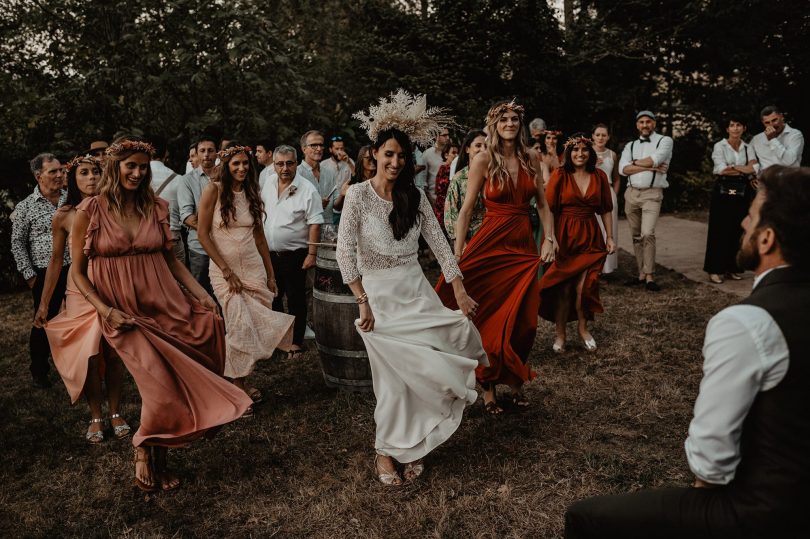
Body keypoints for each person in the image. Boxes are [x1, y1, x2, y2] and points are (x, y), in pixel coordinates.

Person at [565, 165, 810, 539]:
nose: (743, 224)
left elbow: (710, 463)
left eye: (751, 216)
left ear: (766, 239)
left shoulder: (747, 323)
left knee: (585, 517)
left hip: (764, 513)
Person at [70, 137, 252, 493]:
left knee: (179, 367)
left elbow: (171, 260)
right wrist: (106, 309)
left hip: (164, 302)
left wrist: (203, 295)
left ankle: (159, 456)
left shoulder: (156, 207)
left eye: (142, 167)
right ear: (115, 167)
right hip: (120, 310)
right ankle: (144, 446)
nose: (137, 173)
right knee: (157, 382)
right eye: (130, 166)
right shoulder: (89, 211)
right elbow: (77, 272)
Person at [343, 91, 487, 485]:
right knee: (391, 380)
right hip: (378, 300)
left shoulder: (415, 196)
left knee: (425, 369)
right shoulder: (357, 196)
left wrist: (457, 287)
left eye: (401, 156)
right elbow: (344, 256)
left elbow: (440, 244)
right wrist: (363, 302)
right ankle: (386, 451)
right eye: (388, 154)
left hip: (414, 290)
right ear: (374, 154)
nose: (394, 162)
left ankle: (416, 445)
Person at [436, 100, 555, 414]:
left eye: (515, 118)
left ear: (521, 124)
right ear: (494, 124)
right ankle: (488, 388)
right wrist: (458, 253)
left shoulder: (532, 157)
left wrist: (550, 238)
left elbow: (542, 205)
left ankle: (515, 381)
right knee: (489, 314)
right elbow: (465, 211)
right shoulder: (483, 159)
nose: (510, 123)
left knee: (525, 318)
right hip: (491, 240)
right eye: (504, 119)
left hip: (523, 243)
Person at [34, 155, 130, 442]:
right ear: (72, 180)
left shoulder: (115, 208)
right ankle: (96, 415)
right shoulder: (64, 215)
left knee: (113, 353)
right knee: (89, 355)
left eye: (95, 172)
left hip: (112, 287)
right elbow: (54, 260)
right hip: (79, 291)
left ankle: (115, 411)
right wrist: (44, 302)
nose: (91, 178)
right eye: (84, 173)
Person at [197, 144, 294, 416]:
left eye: (245, 164)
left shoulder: (252, 192)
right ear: (226, 166)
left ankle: (243, 379)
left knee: (251, 325)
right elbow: (203, 234)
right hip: (224, 271)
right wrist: (227, 271)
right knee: (239, 326)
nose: (241, 168)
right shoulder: (213, 191)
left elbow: (260, 237)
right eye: (236, 164)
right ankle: (238, 388)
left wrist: (271, 274)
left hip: (253, 267)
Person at [539, 135, 615, 353]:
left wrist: (609, 237)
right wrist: (550, 239)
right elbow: (549, 209)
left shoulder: (599, 176)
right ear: (568, 153)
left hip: (590, 236)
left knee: (585, 287)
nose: (580, 154)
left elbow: (606, 209)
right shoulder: (560, 175)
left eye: (584, 150)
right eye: (575, 150)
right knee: (563, 290)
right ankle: (560, 334)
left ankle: (583, 329)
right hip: (564, 238)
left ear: (590, 153)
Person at [11, 153, 68, 388]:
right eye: (53, 171)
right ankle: (40, 369)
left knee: (76, 319)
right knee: (44, 320)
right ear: (38, 176)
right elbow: (17, 243)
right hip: (44, 273)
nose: (59, 174)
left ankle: (73, 366)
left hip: (75, 269)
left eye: (61, 170)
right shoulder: (25, 207)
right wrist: (31, 276)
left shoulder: (71, 199)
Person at [260, 145, 324, 356]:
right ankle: (280, 340)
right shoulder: (268, 182)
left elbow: (315, 223)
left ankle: (296, 342)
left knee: (296, 298)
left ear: (296, 163)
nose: (285, 168)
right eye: (280, 164)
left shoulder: (308, 189)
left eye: (289, 163)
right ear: (274, 165)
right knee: (274, 297)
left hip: (295, 254)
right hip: (269, 254)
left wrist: (312, 254)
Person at [619, 110, 674, 292]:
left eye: (648, 122)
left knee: (647, 233)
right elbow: (622, 170)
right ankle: (641, 274)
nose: (644, 125)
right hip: (631, 193)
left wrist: (635, 163)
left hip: (652, 194)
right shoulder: (630, 145)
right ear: (637, 125)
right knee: (636, 236)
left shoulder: (664, 141)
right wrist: (649, 165)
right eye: (641, 122)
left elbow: (656, 159)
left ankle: (650, 276)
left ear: (654, 124)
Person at [704, 116, 759, 284]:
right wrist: (744, 170)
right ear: (727, 129)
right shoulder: (719, 146)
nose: (735, 128)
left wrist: (734, 168)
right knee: (719, 230)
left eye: (738, 125)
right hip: (723, 190)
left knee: (737, 229)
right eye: (732, 125)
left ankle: (731, 268)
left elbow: (755, 168)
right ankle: (714, 270)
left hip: (742, 191)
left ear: (744, 128)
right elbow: (720, 170)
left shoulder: (748, 147)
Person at [178, 135, 218, 294]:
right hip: (200, 248)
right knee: (202, 293)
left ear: (217, 153)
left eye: (210, 150)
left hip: (225, 247)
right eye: (202, 151)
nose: (207, 154)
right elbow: (187, 216)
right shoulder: (187, 180)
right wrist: (211, 230)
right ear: (197, 154)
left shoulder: (226, 177)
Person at [444, 129, 487, 244]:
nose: (483, 150)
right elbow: (451, 215)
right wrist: (461, 245)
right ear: (467, 149)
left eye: (486, 146)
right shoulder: (459, 179)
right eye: (478, 145)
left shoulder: (495, 176)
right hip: (468, 242)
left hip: (492, 239)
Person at [148, 134, 184, 262]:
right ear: (166, 153)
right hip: (172, 233)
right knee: (178, 280)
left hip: (147, 235)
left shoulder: (137, 177)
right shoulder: (179, 179)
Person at [592, 124, 620, 275]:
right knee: (594, 227)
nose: (600, 138)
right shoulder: (586, 152)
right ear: (593, 136)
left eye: (604, 135)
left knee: (609, 229)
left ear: (608, 137)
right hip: (591, 192)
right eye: (598, 135)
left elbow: (616, 178)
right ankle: (593, 265)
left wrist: (613, 194)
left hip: (608, 193)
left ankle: (607, 268)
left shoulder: (612, 154)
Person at [749, 105, 804, 170]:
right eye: (767, 122)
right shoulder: (757, 139)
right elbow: (747, 159)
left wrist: (772, 139)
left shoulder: (795, 134)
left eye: (774, 120)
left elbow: (789, 161)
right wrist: (752, 176)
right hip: (766, 179)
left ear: (781, 116)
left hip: (789, 179)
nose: (772, 125)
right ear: (763, 123)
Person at [333, 145, 376, 217]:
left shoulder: (382, 180)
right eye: (369, 158)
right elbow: (337, 207)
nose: (373, 160)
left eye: (375, 158)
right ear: (361, 159)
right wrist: (342, 194)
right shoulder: (354, 180)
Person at [321, 135, 355, 224]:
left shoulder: (350, 162)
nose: (340, 151)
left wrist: (348, 162)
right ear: (330, 149)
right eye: (337, 149)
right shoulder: (323, 165)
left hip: (347, 208)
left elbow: (357, 178)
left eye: (342, 148)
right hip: (329, 208)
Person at [432, 140, 459, 235]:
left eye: (458, 153)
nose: (456, 155)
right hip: (442, 205)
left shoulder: (459, 170)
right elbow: (440, 188)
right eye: (454, 153)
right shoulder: (444, 169)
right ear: (446, 155)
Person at [422, 127, 450, 205]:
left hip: (449, 199)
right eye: (444, 135)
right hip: (433, 199)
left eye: (448, 135)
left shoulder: (452, 153)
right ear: (436, 137)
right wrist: (430, 200)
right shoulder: (427, 154)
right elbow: (423, 181)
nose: (447, 138)